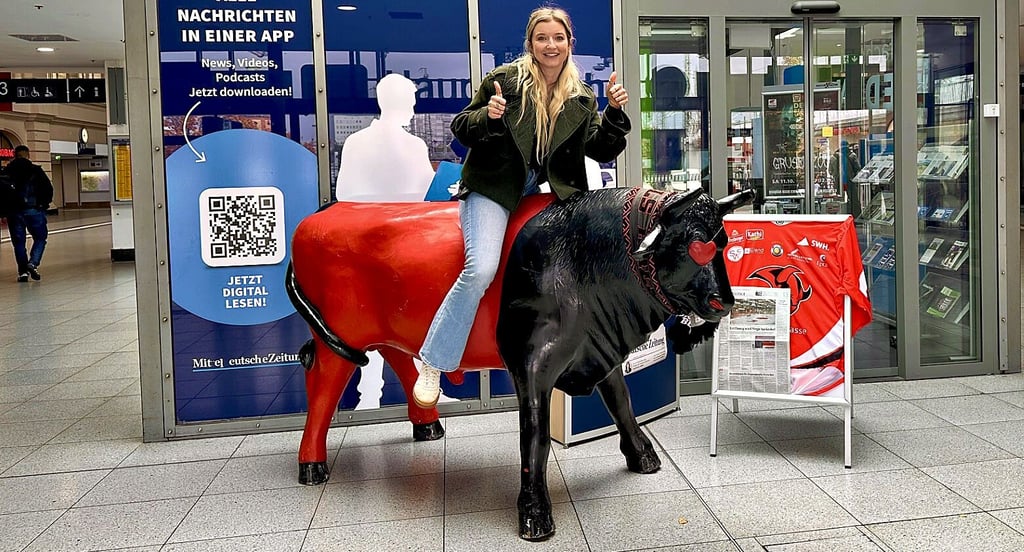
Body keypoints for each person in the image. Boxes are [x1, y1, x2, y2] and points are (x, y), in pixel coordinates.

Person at [412, 6, 631, 407]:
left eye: (558, 38)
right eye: (542, 38)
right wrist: (490, 117)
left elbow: (599, 148)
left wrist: (615, 114)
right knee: (480, 270)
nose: (551, 45)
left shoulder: (580, 95)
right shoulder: (504, 81)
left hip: (545, 189)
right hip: (494, 185)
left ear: (570, 43)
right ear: (530, 44)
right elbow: (462, 127)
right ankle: (432, 361)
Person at [335, 73, 435, 202]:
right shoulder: (415, 145)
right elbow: (430, 192)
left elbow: (343, 193)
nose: (412, 113)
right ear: (401, 105)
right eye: (410, 106)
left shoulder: (354, 142)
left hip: (364, 219)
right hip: (407, 219)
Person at [1, 145, 52, 282]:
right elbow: (48, 189)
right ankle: (33, 263)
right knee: (40, 238)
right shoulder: (36, 171)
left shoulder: (6, 172)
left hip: (14, 212)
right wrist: (44, 205)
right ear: (28, 155)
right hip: (34, 209)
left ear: (14, 155)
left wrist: (4, 211)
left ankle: (22, 272)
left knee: (18, 243)